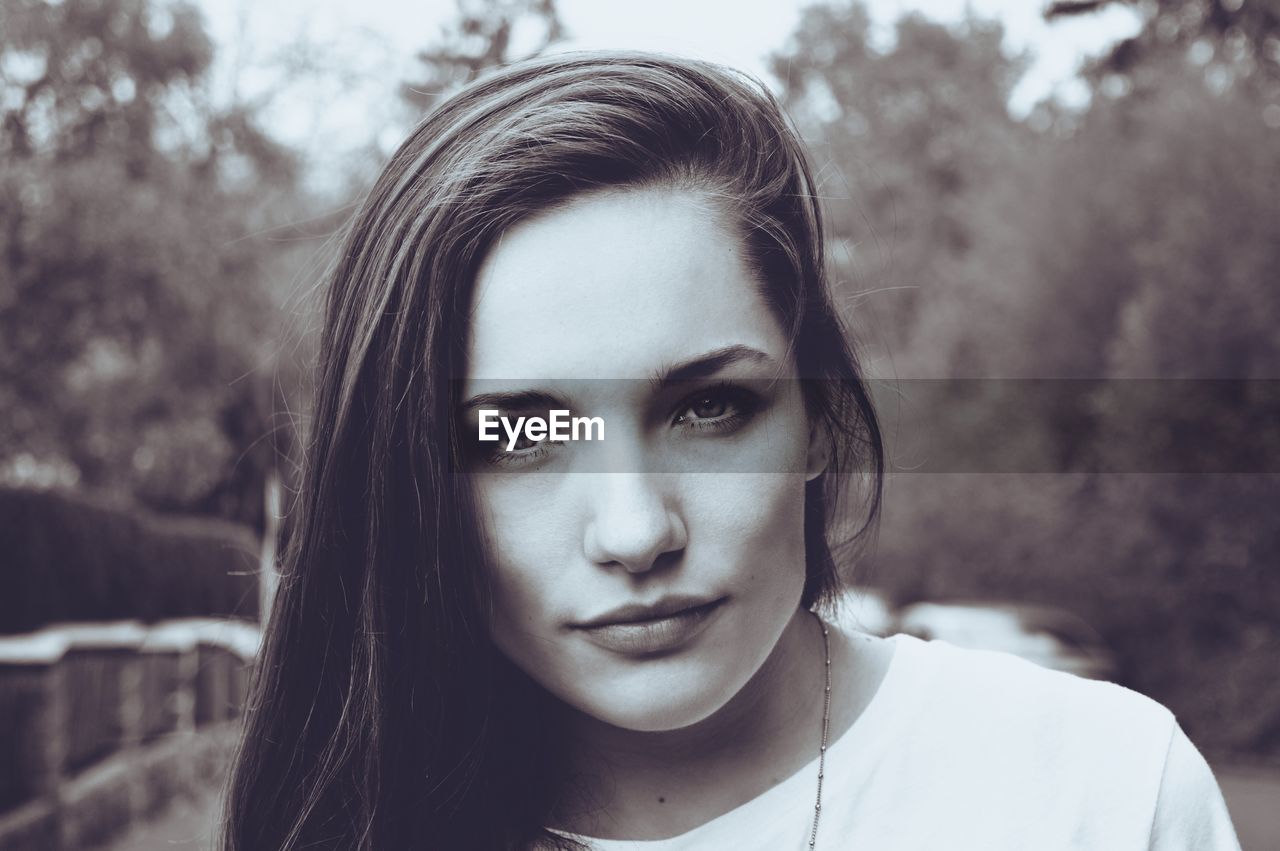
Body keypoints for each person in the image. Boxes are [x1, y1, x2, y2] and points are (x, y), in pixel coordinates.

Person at [221, 51, 1241, 850]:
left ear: (820, 419)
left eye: (708, 408)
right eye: (525, 432)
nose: (634, 529)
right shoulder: (347, 824)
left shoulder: (1098, 788)